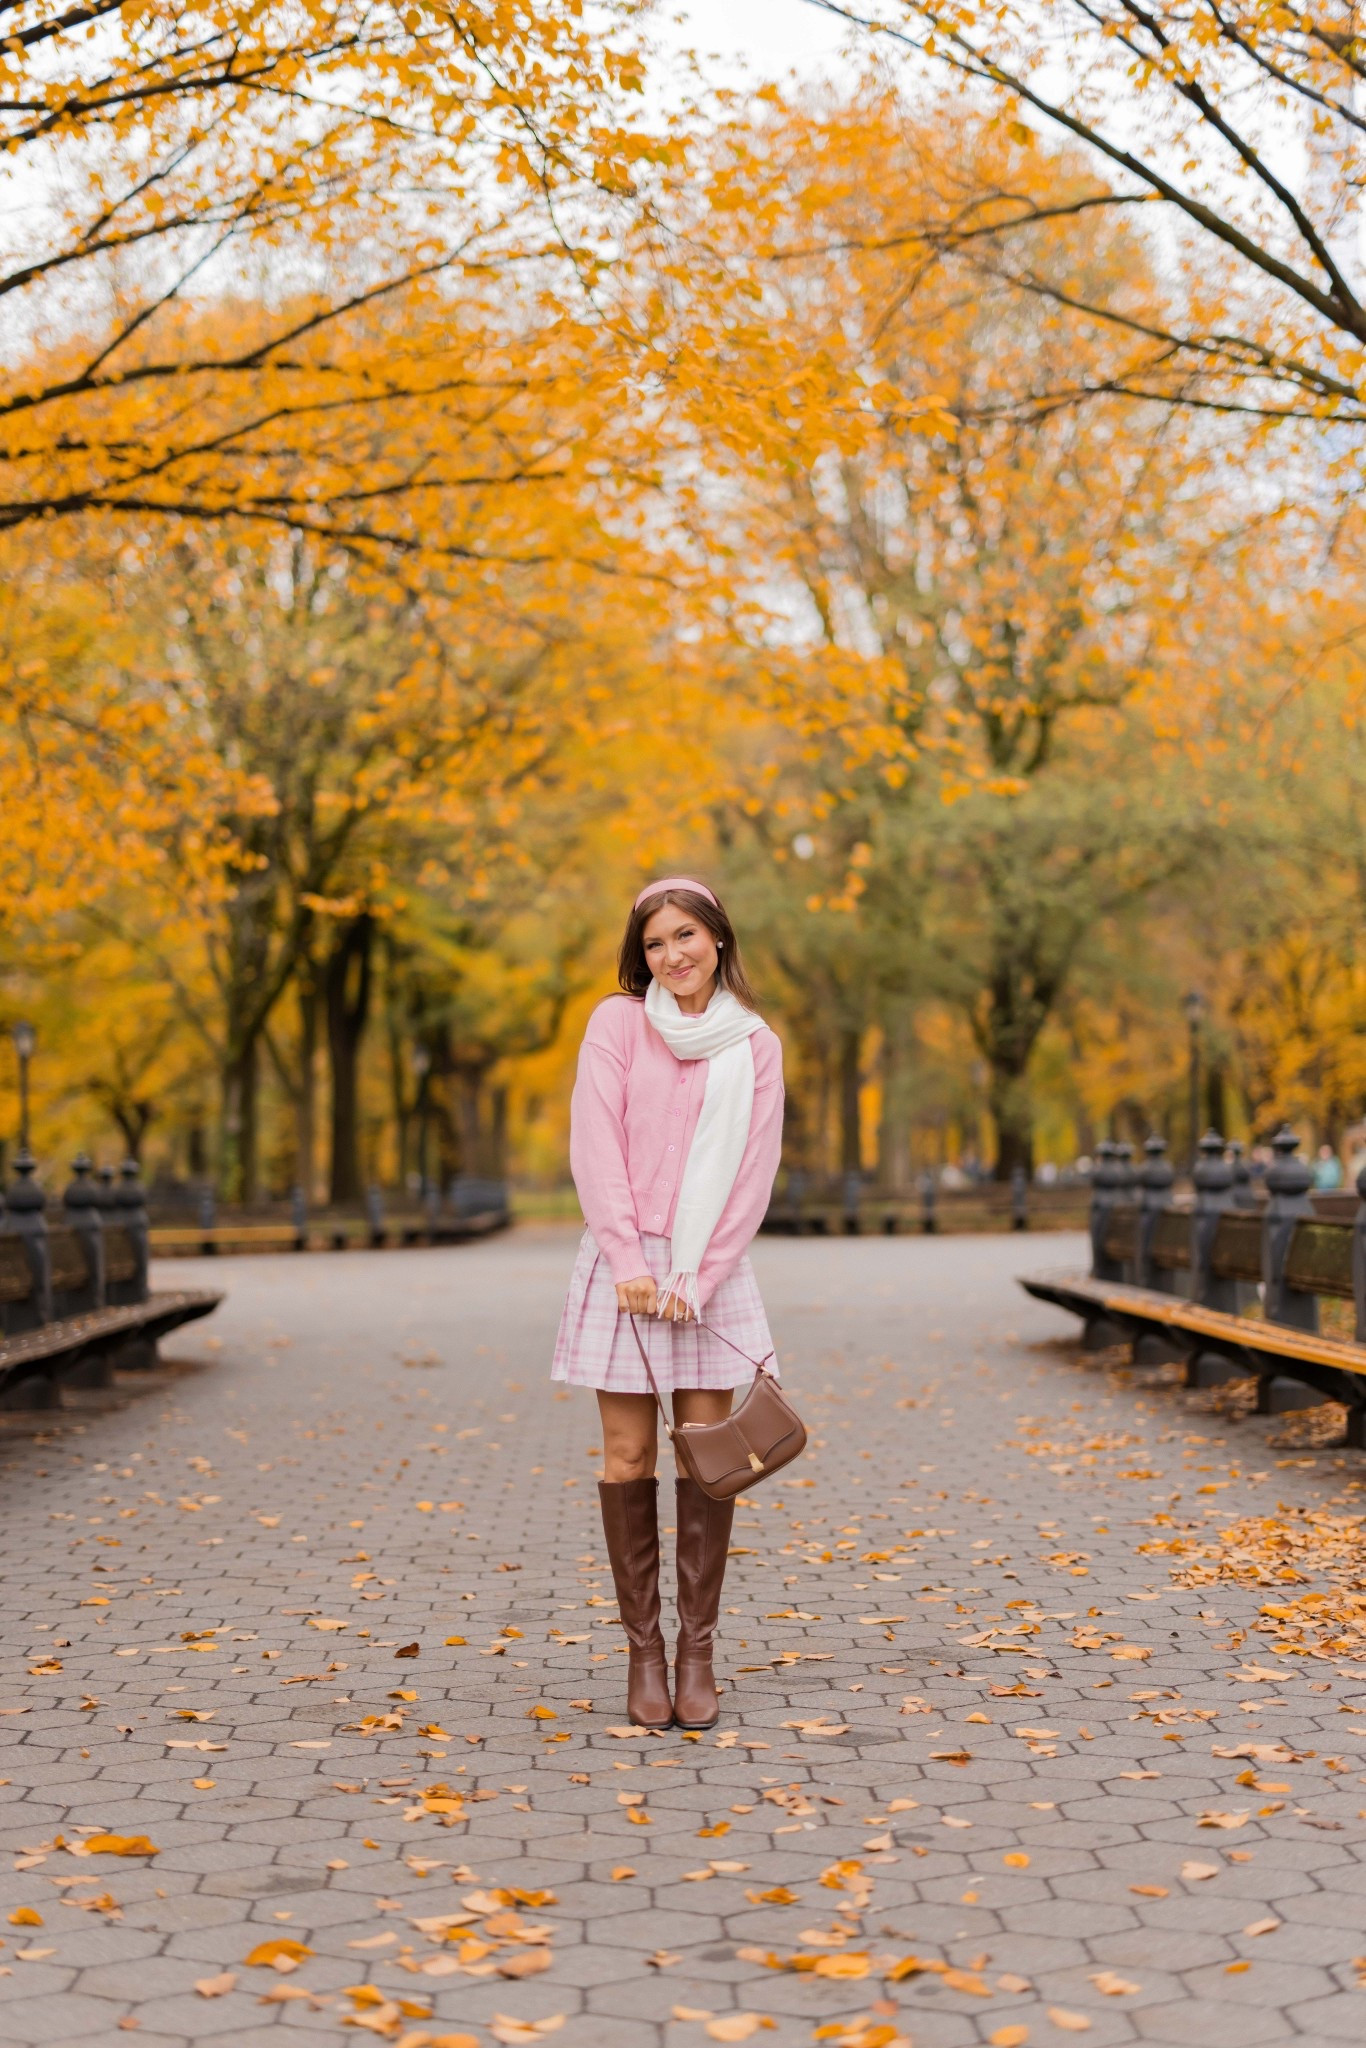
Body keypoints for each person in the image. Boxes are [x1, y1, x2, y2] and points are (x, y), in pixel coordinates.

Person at [552, 878, 784, 1730]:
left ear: (718, 938)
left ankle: (698, 1656)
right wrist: (626, 1258)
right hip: (626, 1268)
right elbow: (595, 1141)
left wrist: (702, 1274)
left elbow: (753, 1173)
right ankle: (643, 1653)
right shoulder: (616, 1024)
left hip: (705, 1277)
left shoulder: (756, 1046)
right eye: (654, 944)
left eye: (686, 936)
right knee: (626, 1458)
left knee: (706, 1458)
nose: (672, 955)